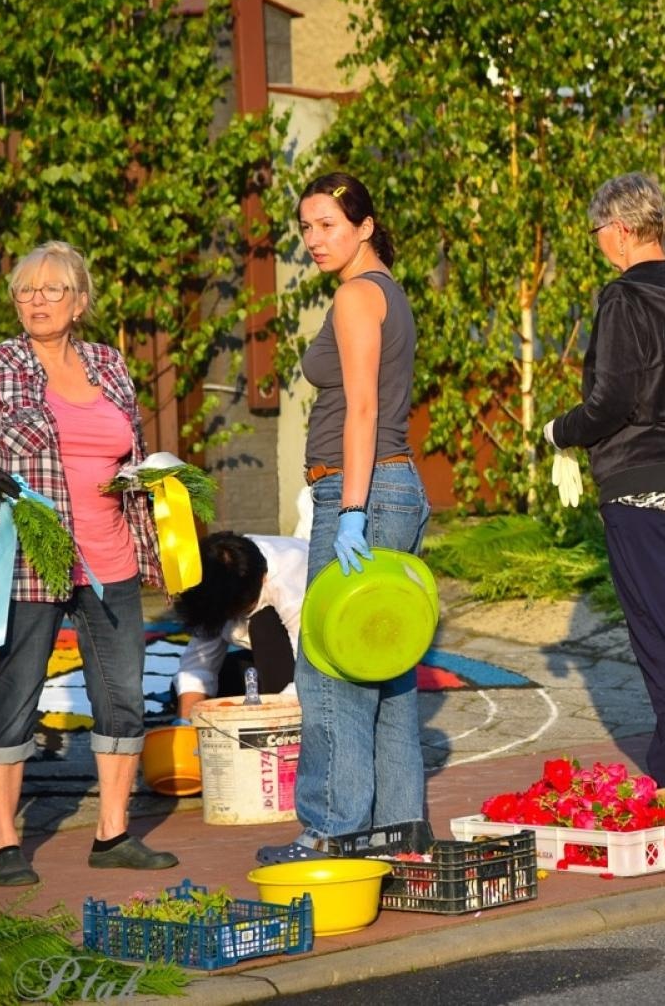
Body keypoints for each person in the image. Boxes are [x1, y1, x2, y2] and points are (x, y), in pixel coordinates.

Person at [0, 240, 178, 886]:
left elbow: (131, 453)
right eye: (25, 290)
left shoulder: (109, 363)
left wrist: (156, 482)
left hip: (111, 556)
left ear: (79, 301)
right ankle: (7, 840)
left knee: (123, 697)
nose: (35, 301)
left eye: (51, 290)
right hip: (29, 561)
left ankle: (113, 833)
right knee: (16, 692)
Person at [256, 172, 430, 864]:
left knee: (329, 664)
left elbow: (362, 409)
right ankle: (399, 832)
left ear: (363, 225)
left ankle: (331, 830)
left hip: (362, 489)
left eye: (327, 224)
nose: (312, 239)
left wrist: (351, 511)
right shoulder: (385, 289)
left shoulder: (359, 296)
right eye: (305, 226)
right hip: (393, 486)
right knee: (384, 664)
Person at [544, 172, 665, 787]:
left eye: (598, 233)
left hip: (644, 482)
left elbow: (613, 401)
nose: (599, 244)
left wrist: (560, 432)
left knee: (661, 636)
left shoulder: (623, 298)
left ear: (621, 232)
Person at [171, 531, 308, 721]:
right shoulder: (219, 575)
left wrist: (276, 718)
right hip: (264, 659)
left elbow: (310, 674)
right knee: (185, 694)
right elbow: (198, 664)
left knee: (263, 624)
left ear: (262, 580)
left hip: (316, 664)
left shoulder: (291, 584)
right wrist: (186, 723)